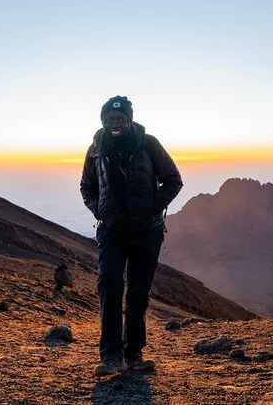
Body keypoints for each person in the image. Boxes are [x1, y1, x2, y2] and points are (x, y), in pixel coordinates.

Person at [80, 95, 183, 377]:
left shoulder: (148, 144)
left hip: (146, 231)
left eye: (121, 118)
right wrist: (99, 210)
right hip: (112, 231)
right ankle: (111, 356)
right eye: (110, 118)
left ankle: (134, 354)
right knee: (109, 284)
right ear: (103, 121)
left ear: (129, 119)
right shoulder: (96, 149)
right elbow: (87, 186)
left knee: (138, 292)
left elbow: (173, 180)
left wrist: (152, 207)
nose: (116, 123)